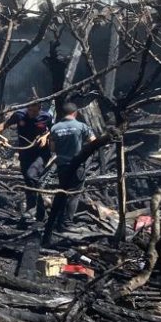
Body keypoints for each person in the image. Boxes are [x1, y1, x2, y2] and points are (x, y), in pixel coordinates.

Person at [0, 101, 52, 224]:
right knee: (29, 181)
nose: (32, 114)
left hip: (41, 153)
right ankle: (38, 211)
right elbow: (4, 125)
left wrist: (45, 137)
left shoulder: (46, 117)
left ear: (40, 109)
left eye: (35, 111)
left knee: (31, 175)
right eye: (30, 110)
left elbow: (52, 130)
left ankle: (32, 209)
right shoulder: (19, 115)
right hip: (25, 153)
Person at [45, 102, 95, 239]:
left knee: (63, 193)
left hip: (62, 166)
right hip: (77, 165)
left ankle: (56, 221)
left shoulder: (55, 128)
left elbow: (52, 149)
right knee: (74, 194)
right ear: (75, 113)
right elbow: (94, 141)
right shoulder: (81, 126)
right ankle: (67, 223)